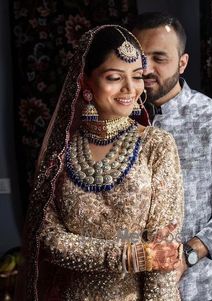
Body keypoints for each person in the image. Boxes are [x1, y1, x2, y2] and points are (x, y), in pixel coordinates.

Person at [15, 25, 184, 300]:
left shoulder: (156, 145)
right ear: (86, 83)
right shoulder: (61, 150)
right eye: (115, 77)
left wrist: (148, 259)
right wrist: (131, 256)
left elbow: (162, 256)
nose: (130, 88)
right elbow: (49, 239)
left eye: (137, 76)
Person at [132, 12, 212, 301]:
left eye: (159, 58)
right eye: (138, 58)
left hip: (205, 289)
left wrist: (188, 256)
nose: (146, 68)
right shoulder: (115, 121)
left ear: (182, 63)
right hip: (130, 290)